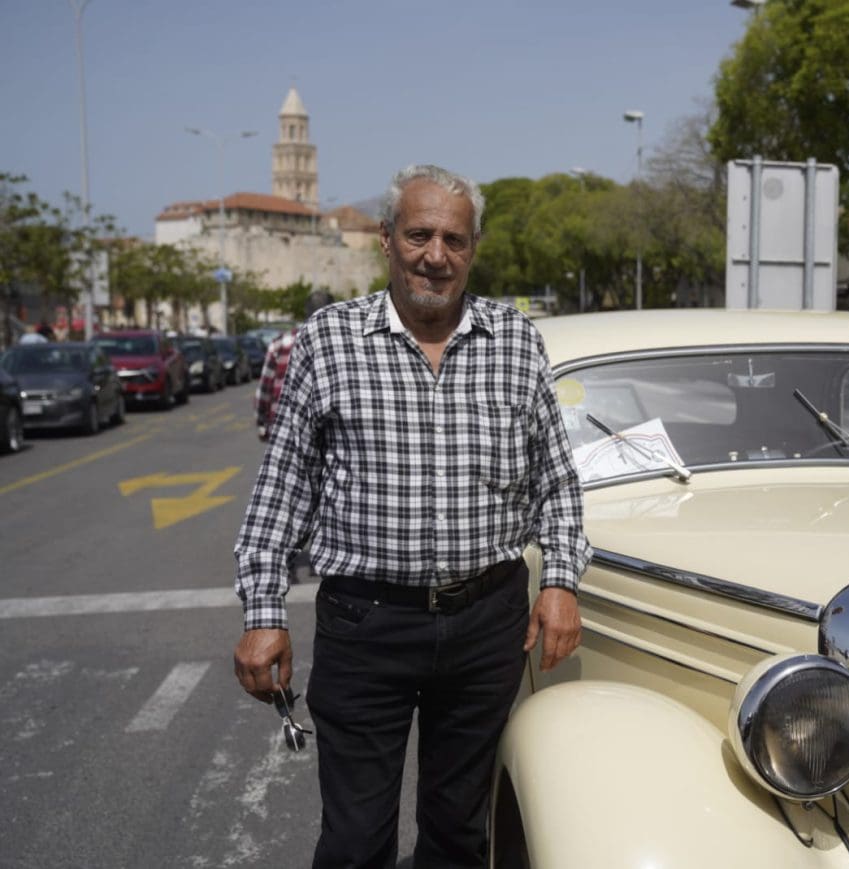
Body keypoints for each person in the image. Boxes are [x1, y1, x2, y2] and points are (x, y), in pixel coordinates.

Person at [232, 163, 591, 868]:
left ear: (473, 248)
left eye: (454, 239)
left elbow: (556, 479)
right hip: (365, 626)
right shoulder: (330, 339)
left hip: (485, 625)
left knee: (459, 834)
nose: (436, 255)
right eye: (419, 235)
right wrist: (262, 613)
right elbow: (282, 487)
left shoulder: (515, 340)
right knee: (355, 841)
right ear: (387, 240)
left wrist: (560, 581)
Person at [254, 289, 334, 441]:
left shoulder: (280, 344)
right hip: (329, 434)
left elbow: (264, 390)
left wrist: (262, 422)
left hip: (284, 430)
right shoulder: (342, 345)